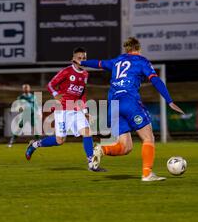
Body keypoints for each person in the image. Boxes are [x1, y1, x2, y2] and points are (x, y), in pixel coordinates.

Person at [76, 37, 184, 181]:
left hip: (113, 106)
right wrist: (169, 101)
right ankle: (147, 174)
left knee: (125, 147)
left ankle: (102, 150)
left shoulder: (116, 61)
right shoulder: (141, 61)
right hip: (129, 102)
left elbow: (99, 63)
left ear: (126, 49)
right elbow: (155, 80)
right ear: (138, 49)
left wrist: (81, 62)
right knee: (148, 137)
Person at [25, 47, 104, 172]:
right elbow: (50, 84)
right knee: (59, 140)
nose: (81, 61)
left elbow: (82, 94)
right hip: (62, 109)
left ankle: (91, 164)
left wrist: (85, 112)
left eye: (84, 58)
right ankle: (34, 144)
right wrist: (55, 94)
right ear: (73, 59)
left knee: (87, 132)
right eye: (79, 58)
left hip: (76, 109)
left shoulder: (85, 74)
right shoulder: (66, 71)